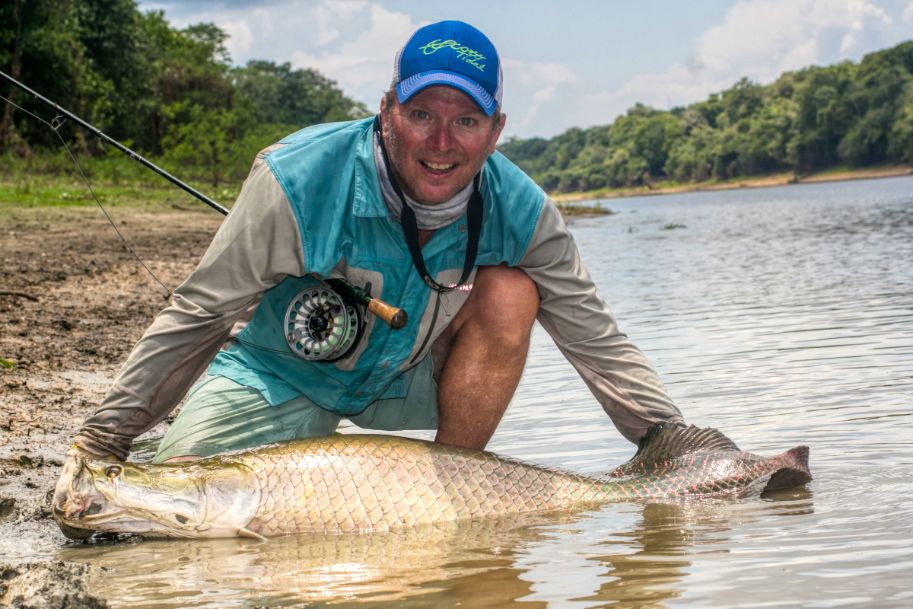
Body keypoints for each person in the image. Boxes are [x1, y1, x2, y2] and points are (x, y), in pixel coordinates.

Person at [53, 20, 683, 532]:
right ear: (385, 111)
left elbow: (596, 342)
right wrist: (102, 443)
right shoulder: (294, 178)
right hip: (274, 376)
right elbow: (199, 315)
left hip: (409, 380)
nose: (441, 142)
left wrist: (676, 441)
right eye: (421, 115)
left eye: (466, 120)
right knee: (170, 513)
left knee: (512, 292)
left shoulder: (524, 210)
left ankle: (453, 495)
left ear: (496, 131)